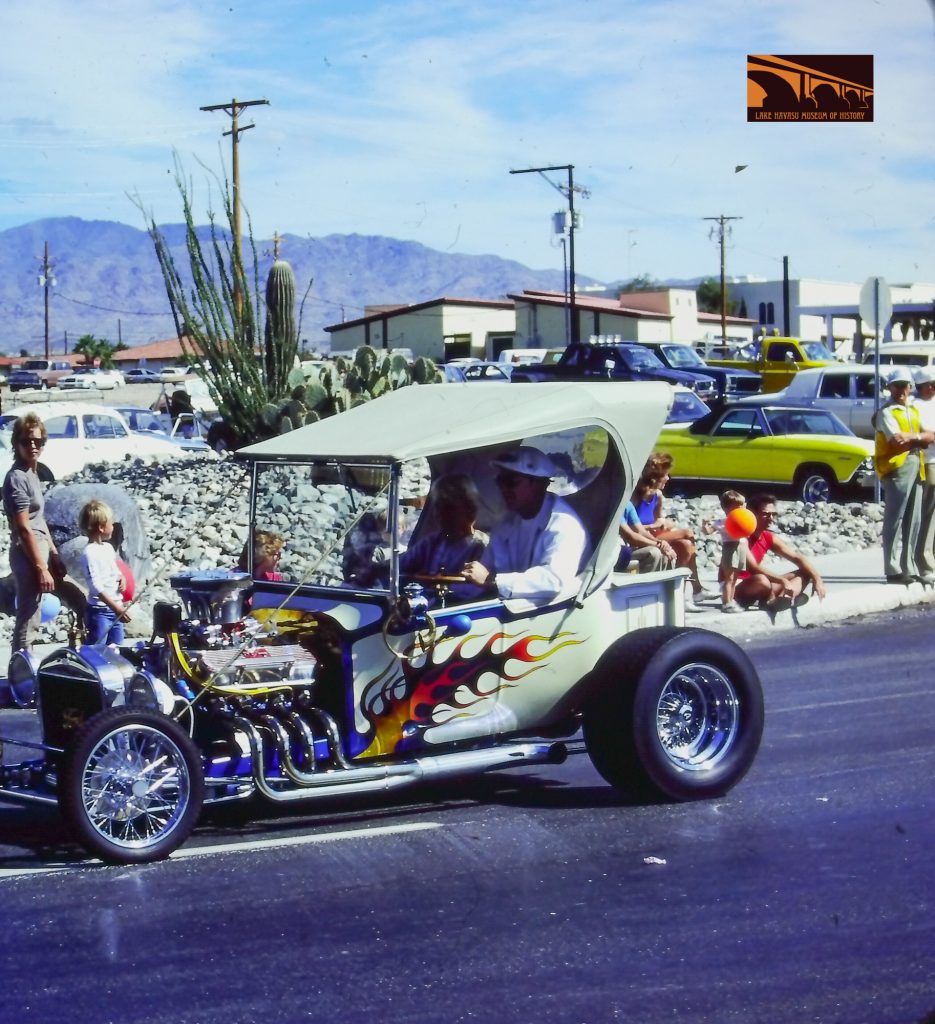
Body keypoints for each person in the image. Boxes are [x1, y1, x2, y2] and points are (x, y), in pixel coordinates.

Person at [462, 446, 588, 603]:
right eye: (500, 481)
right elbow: (485, 570)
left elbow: (553, 581)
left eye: (510, 482)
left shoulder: (565, 525)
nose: (503, 488)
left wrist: (491, 580)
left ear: (537, 484)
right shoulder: (507, 523)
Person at [2, 414, 73, 667]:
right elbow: (23, 528)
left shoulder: (32, 473)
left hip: (41, 551)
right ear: (16, 443)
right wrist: (40, 567)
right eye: (26, 441)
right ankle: (20, 672)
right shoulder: (16, 478)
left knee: (42, 608)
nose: (33, 446)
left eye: (38, 441)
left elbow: (38, 519)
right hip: (28, 554)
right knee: (29, 615)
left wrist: (54, 554)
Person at [632, 455, 719, 607]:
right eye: (665, 475)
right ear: (656, 478)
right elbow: (632, 526)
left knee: (686, 545)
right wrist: (654, 526)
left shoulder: (658, 496)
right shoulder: (636, 495)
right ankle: (697, 589)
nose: (668, 478)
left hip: (656, 534)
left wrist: (661, 523)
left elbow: (660, 519)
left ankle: (682, 595)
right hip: (641, 539)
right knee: (688, 533)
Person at [874, 367, 934, 583]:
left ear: (910, 388)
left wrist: (914, 437)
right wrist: (919, 438)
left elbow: (931, 436)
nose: (900, 390)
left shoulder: (912, 411)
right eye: (896, 385)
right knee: (895, 518)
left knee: (913, 519)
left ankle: (908, 567)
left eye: (904, 385)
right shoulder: (887, 412)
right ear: (889, 387)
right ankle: (892, 569)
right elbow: (896, 441)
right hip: (896, 467)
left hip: (916, 464)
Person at [734, 493, 826, 612]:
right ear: (752, 514)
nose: (771, 518)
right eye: (766, 514)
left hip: (763, 586)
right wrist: (782, 580)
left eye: (774, 514)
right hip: (738, 588)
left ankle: (783, 599)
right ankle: (782, 599)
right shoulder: (740, 536)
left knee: (806, 573)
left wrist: (817, 580)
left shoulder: (767, 537)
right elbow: (753, 568)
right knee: (762, 580)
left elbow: (797, 558)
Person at [400, 474, 487, 576]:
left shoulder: (481, 547)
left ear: (470, 510)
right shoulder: (431, 543)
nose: (439, 513)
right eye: (437, 506)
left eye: (448, 507)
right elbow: (400, 565)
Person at [79, 499, 131, 645]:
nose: (113, 527)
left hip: (115, 608)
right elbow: (95, 586)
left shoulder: (108, 548)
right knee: (97, 650)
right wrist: (116, 609)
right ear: (101, 527)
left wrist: (121, 578)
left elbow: (114, 570)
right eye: (111, 523)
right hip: (99, 612)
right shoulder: (89, 553)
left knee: (117, 649)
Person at [702, 489, 749, 613]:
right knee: (729, 578)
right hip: (730, 549)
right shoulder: (723, 522)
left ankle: (730, 600)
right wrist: (705, 524)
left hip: (741, 548)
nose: (742, 509)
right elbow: (708, 532)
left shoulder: (743, 520)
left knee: (735, 578)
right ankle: (727, 602)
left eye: (742, 506)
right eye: (738, 507)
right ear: (727, 508)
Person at [912, 366, 935, 583]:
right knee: (928, 513)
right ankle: (924, 561)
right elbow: (927, 434)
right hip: (928, 462)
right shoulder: (915, 406)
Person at [617, 500, 677, 573]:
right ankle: (643, 583)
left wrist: (660, 543)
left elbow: (641, 531)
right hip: (615, 553)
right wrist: (658, 546)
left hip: (625, 550)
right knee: (653, 553)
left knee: (664, 555)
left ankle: (661, 583)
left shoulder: (627, 504)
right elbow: (630, 537)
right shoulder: (614, 508)